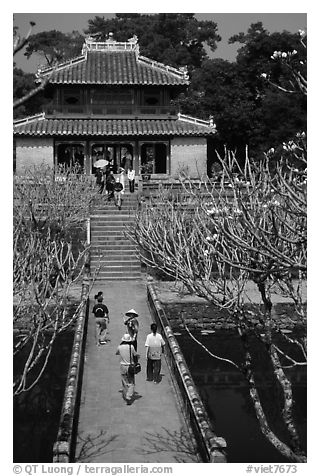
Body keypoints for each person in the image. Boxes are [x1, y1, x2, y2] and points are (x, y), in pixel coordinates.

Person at [116, 333, 140, 405]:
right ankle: (128, 396)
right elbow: (135, 354)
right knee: (131, 382)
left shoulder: (120, 347)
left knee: (124, 381)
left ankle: (125, 393)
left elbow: (117, 353)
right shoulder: (131, 347)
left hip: (122, 366)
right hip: (130, 366)